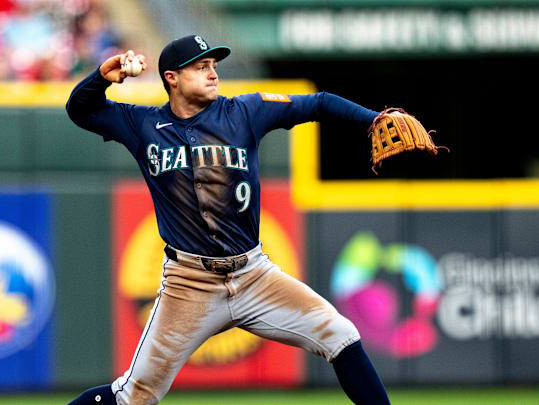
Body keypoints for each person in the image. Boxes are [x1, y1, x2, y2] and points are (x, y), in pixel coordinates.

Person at [65, 34, 390, 405]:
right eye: (201, 66)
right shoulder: (142, 124)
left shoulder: (244, 112)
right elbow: (81, 110)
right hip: (189, 284)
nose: (212, 74)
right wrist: (103, 77)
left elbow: (318, 103)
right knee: (134, 395)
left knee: (341, 336)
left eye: (214, 66)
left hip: (255, 275)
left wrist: (373, 119)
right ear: (172, 77)